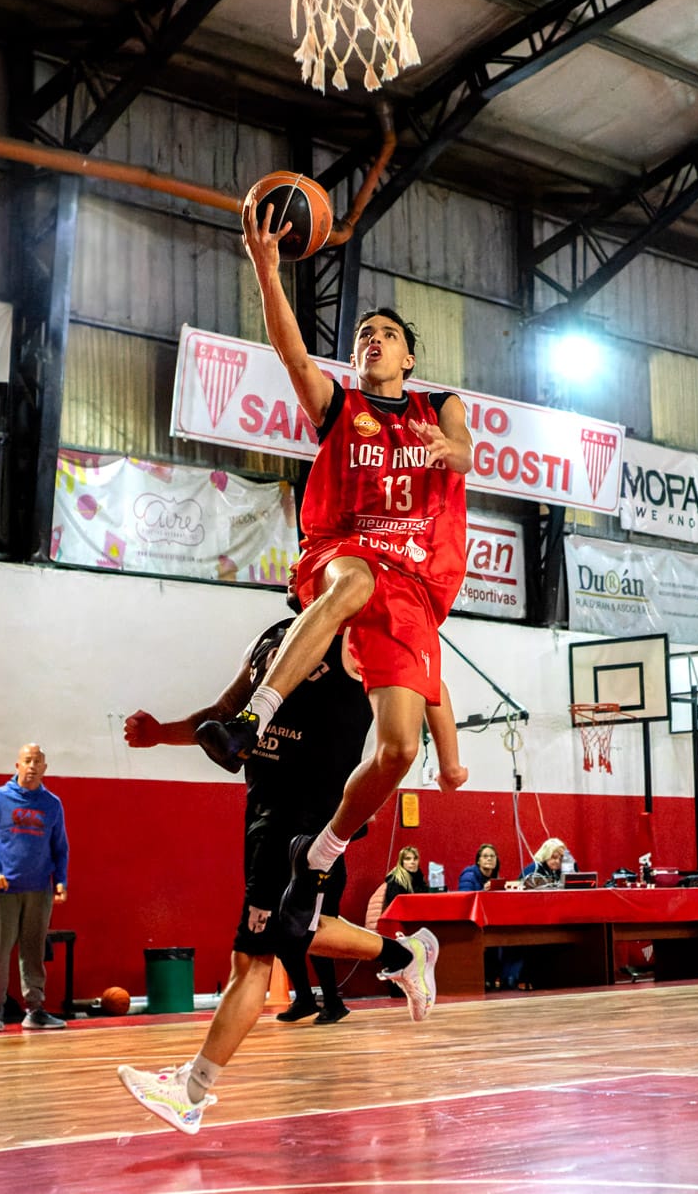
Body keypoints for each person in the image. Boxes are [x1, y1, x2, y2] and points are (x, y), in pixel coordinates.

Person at [197, 199, 471, 943]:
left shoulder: (437, 405)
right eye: (362, 335)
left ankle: (318, 854)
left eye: (385, 334)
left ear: (408, 356)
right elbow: (289, 352)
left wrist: (451, 453)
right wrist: (265, 267)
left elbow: (463, 445)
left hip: (415, 584)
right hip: (346, 551)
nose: (371, 340)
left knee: (397, 749)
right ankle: (256, 716)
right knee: (350, 581)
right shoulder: (338, 405)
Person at [117, 617, 454, 1135]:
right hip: (262, 806)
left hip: (308, 820)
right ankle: (406, 954)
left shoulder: (358, 633)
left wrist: (450, 762)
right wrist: (162, 734)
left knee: (252, 955)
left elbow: (429, 684)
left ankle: (191, 1090)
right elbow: (224, 713)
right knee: (301, 930)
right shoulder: (274, 635)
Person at [0, 743, 69, 1033]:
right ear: (17, 766)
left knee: (34, 951)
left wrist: (60, 880)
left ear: (45, 768)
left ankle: (35, 1010)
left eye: (38, 761)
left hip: (39, 890)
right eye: (27, 761)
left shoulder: (52, 804)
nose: (32, 766)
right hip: (2, 892)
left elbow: (60, 848)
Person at [458, 844, 521, 989]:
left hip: (490, 921)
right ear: (478, 861)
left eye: (492, 856)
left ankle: (507, 978)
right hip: (472, 923)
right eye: (485, 856)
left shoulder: (495, 878)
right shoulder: (469, 875)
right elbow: (464, 899)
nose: (489, 859)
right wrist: (482, 891)